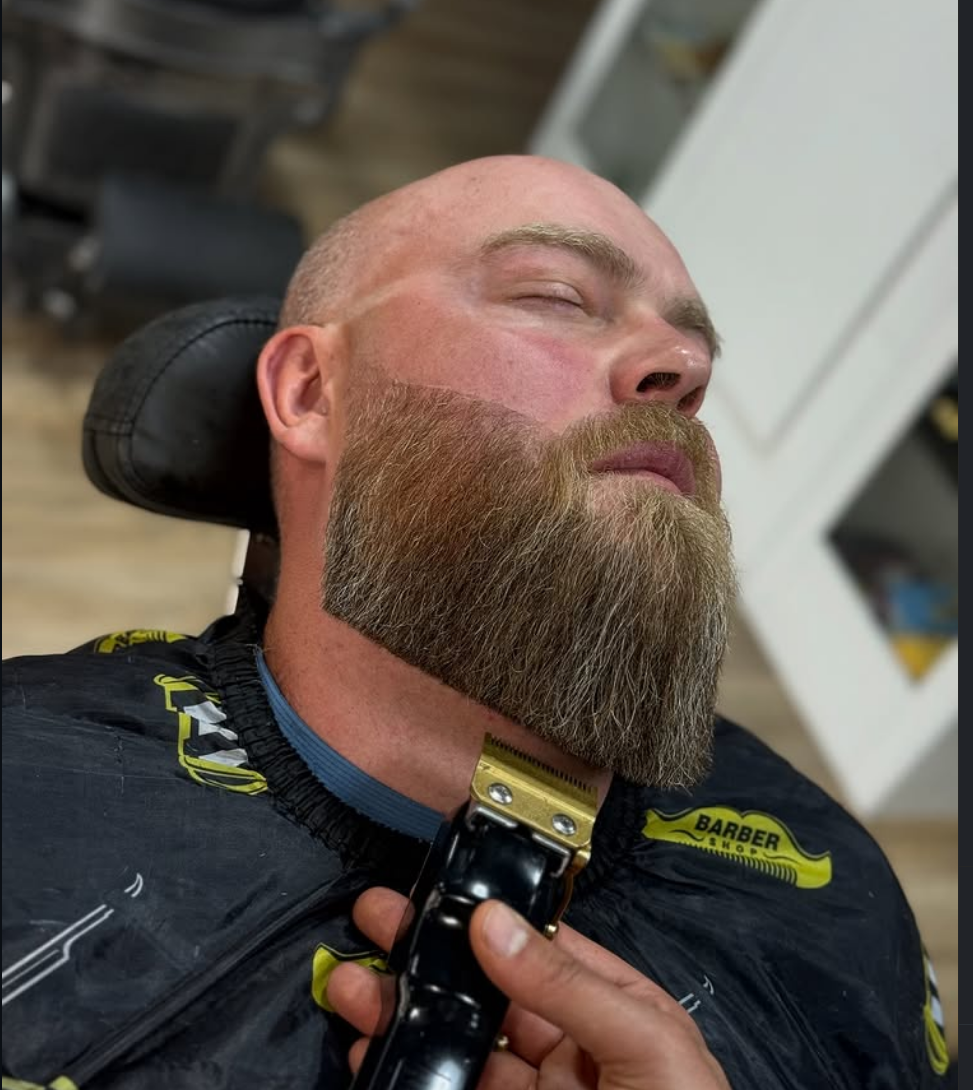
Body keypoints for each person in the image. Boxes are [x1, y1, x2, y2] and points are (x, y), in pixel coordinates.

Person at [2, 157, 948, 1089]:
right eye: (556, 296)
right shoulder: (31, 796)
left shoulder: (832, 893)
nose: (687, 370)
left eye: (695, 351)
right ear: (311, 392)